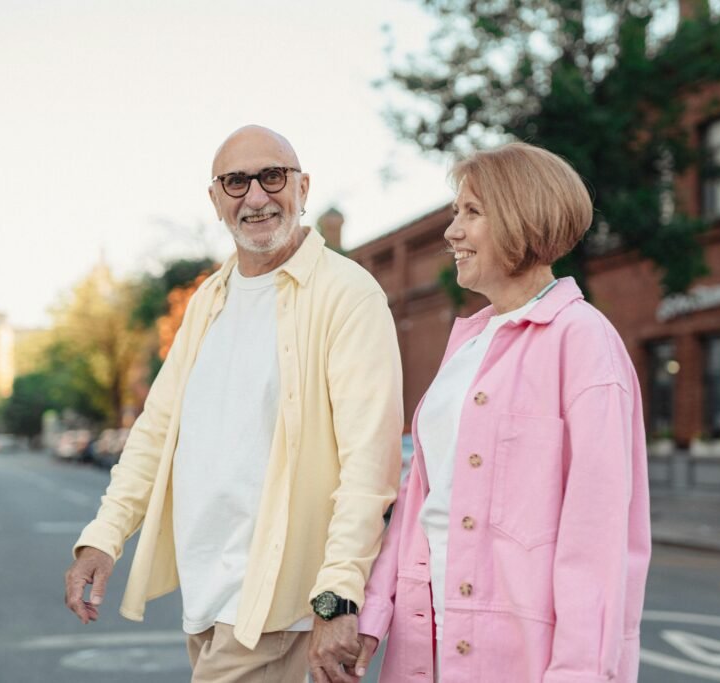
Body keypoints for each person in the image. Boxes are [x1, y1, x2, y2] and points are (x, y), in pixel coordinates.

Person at [63, 125, 404, 683]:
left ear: (302, 187)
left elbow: (369, 467)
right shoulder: (208, 299)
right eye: (236, 182)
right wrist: (104, 537)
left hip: (279, 610)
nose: (256, 197)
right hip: (207, 601)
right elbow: (156, 431)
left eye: (272, 177)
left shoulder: (348, 295)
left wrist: (337, 598)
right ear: (215, 198)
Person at [353, 142, 651, 682]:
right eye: (453, 213)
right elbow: (422, 499)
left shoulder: (583, 341)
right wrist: (374, 614)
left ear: (519, 219)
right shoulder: (467, 343)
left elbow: (598, 540)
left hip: (520, 659)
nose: (451, 232)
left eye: (471, 212)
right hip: (426, 643)